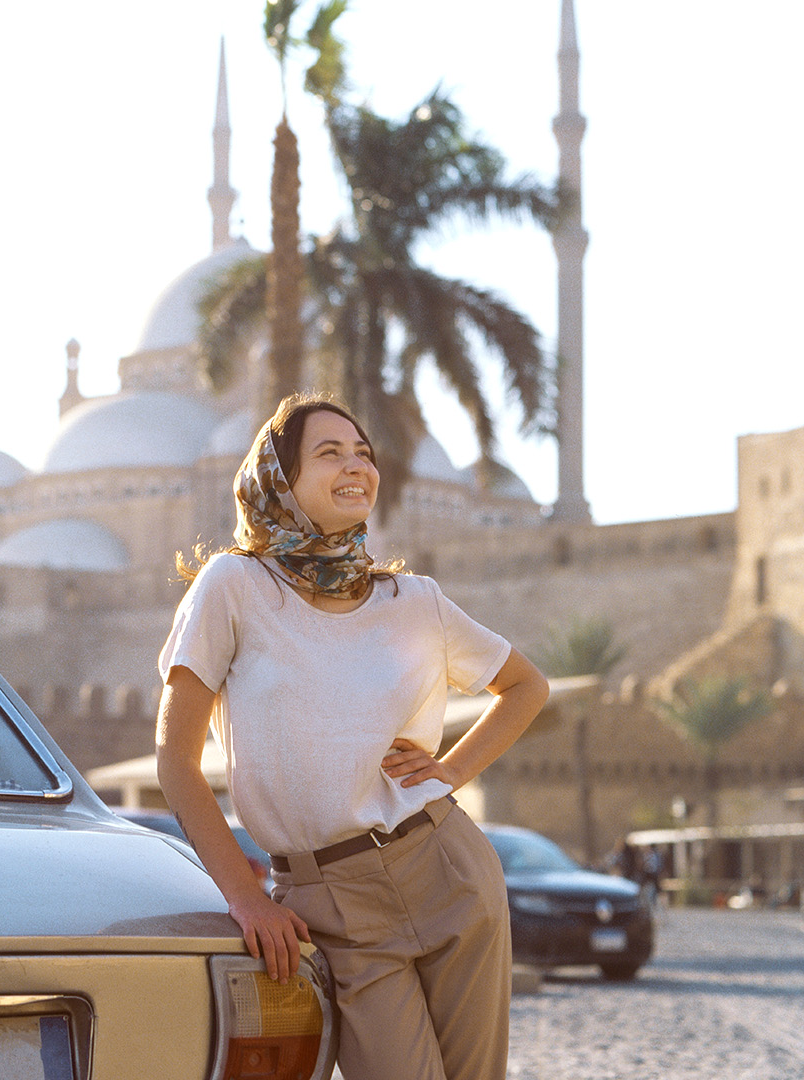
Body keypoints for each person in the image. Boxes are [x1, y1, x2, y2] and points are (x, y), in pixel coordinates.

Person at [154, 393, 548, 1080]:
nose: (355, 465)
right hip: (328, 899)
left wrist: (451, 772)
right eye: (330, 452)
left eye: (364, 453)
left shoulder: (414, 601)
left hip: (447, 869)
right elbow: (176, 760)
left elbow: (526, 687)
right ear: (279, 476)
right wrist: (245, 898)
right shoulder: (235, 587)